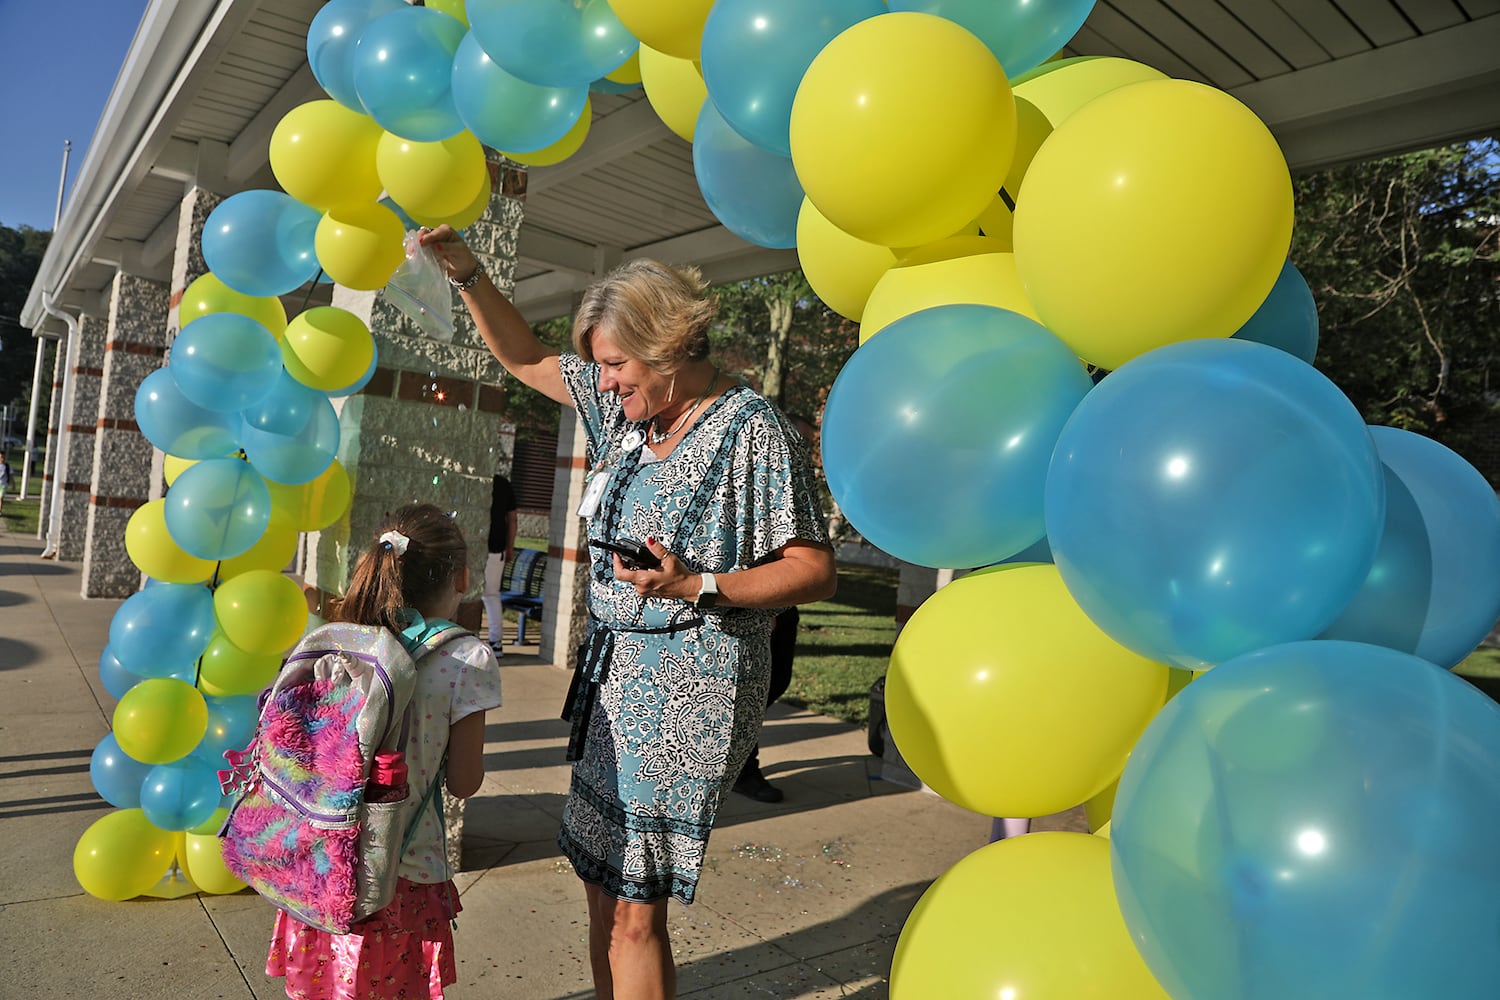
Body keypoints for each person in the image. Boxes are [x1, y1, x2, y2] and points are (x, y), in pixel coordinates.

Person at [421, 226, 837, 1000]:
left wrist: (700, 585)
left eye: (615, 364)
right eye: (600, 366)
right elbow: (522, 357)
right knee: (598, 882)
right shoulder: (631, 416)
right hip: (612, 680)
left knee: (636, 913)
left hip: (691, 683)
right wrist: (468, 273)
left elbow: (813, 569)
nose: (602, 383)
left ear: (671, 342)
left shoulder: (754, 432)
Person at [264, 503, 504, 1000]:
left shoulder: (345, 641)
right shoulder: (467, 658)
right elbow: (464, 781)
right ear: (461, 576)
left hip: (323, 854)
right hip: (404, 868)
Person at [482, 471, 518, 655]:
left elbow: (512, 519)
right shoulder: (503, 484)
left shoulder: (476, 479)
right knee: (491, 595)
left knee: (476, 593)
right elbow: (512, 519)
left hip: (481, 546)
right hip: (496, 548)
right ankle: (496, 641)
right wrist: (509, 546)